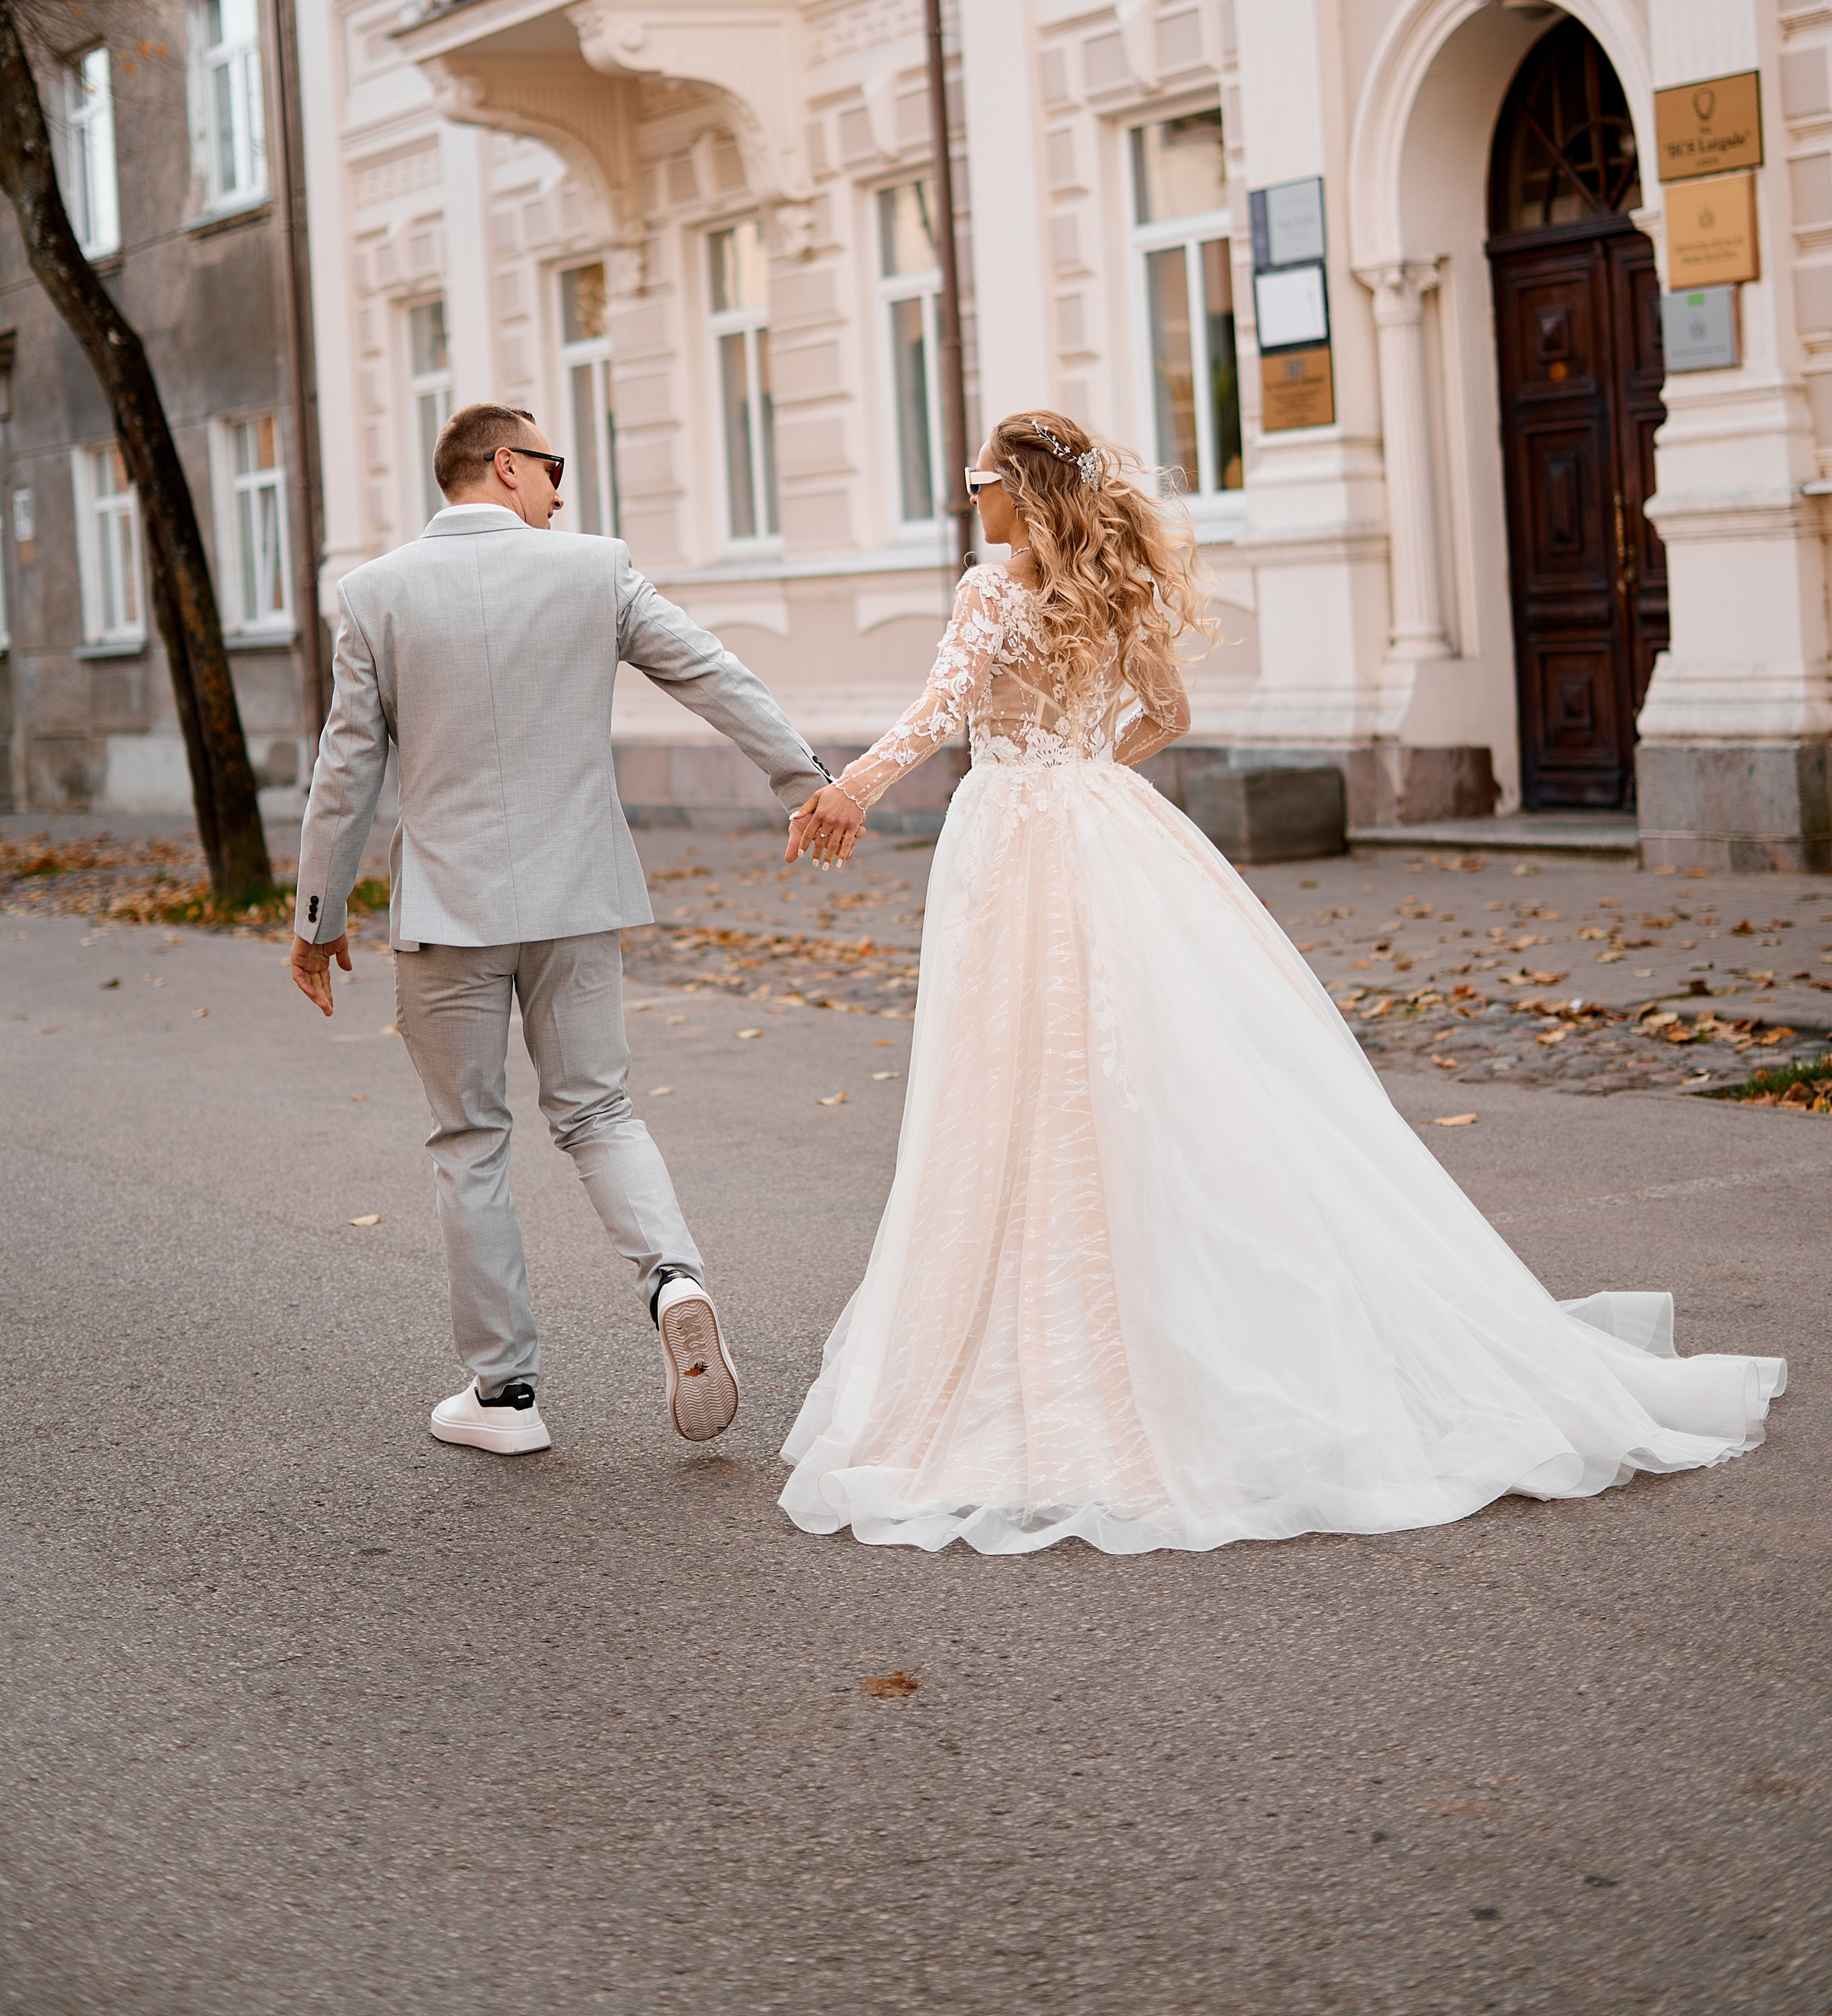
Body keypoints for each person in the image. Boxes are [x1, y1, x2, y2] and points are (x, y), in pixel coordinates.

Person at [777, 409, 1787, 1556]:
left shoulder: (986, 590)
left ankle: (1063, 1333)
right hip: (1104, 825)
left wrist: (850, 788)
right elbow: (1168, 715)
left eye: (979, 482)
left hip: (1012, 835)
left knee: (1016, 1071)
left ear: (1021, 489)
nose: (972, 502)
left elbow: (939, 714)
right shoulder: (1113, 590)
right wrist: (1081, 772)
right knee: (1151, 1063)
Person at [289, 401, 832, 1459]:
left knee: (470, 1141)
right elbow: (713, 672)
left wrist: (319, 917)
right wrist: (803, 779)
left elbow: (344, 770)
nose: (560, 490)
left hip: (449, 913)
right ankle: (673, 1279)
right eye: (551, 466)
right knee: (599, 1113)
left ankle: (504, 1399)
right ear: (503, 465)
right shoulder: (595, 569)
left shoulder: (375, 594)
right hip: (578, 896)